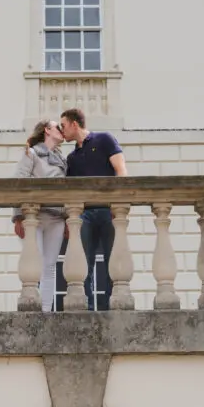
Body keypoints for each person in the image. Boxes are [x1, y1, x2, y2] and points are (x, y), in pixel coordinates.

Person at [58, 108, 127, 311]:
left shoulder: (105, 139)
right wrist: (66, 220)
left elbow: (121, 170)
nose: (62, 131)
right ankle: (86, 308)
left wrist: (119, 204)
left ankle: (108, 308)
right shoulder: (71, 158)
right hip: (84, 215)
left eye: (63, 126)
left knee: (111, 261)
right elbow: (69, 192)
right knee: (83, 263)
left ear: (74, 124)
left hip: (108, 211)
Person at [11, 120, 68, 312]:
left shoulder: (62, 159)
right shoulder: (31, 153)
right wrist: (18, 216)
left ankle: (45, 310)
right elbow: (19, 183)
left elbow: (67, 192)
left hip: (57, 217)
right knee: (34, 264)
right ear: (47, 130)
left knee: (50, 266)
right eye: (57, 127)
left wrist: (68, 219)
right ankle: (30, 306)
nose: (61, 130)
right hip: (34, 216)